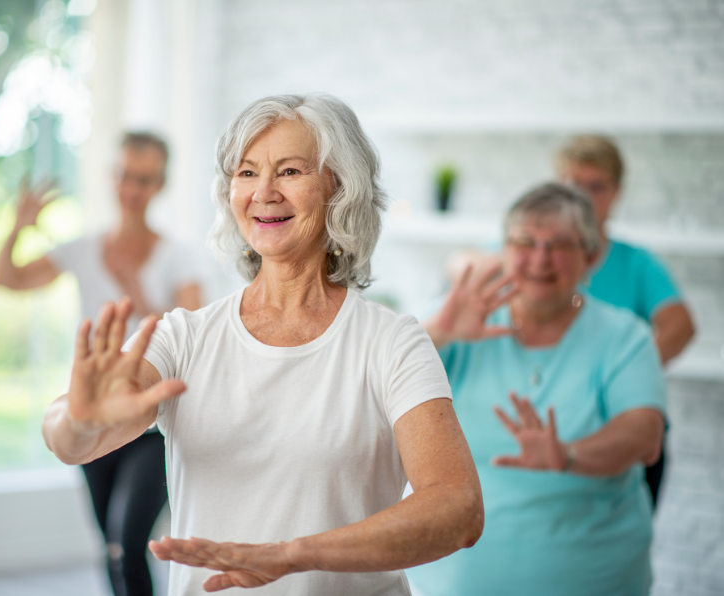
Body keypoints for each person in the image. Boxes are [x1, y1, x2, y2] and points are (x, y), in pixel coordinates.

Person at [42, 93, 484, 595]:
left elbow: (458, 507)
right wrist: (78, 418)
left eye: (291, 171)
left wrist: (292, 556)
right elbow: (69, 440)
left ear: (340, 186)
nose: (264, 192)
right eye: (247, 173)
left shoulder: (391, 341)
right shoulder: (184, 337)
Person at [407, 183, 666, 596]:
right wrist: (440, 332)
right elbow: (371, 384)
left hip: (595, 577)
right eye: (525, 241)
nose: (541, 258)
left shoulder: (624, 336)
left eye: (560, 244)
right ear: (502, 248)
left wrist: (568, 455)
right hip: (450, 580)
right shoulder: (457, 318)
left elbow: (644, 435)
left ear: (591, 257)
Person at [0, 131, 202, 596]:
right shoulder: (82, 248)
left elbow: (197, 336)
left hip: (153, 424)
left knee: (129, 542)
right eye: (126, 176)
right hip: (92, 413)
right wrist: (19, 225)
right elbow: (5, 278)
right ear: (112, 177)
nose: (132, 190)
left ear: (161, 184)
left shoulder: (179, 257)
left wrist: (140, 295)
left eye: (144, 180)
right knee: (109, 546)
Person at [556, 135, 693, 505]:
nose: (583, 197)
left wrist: (629, 369)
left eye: (596, 186)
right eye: (572, 185)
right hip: (556, 435)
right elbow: (469, 265)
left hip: (625, 433)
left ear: (616, 192)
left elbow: (680, 326)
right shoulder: (532, 258)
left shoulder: (637, 263)